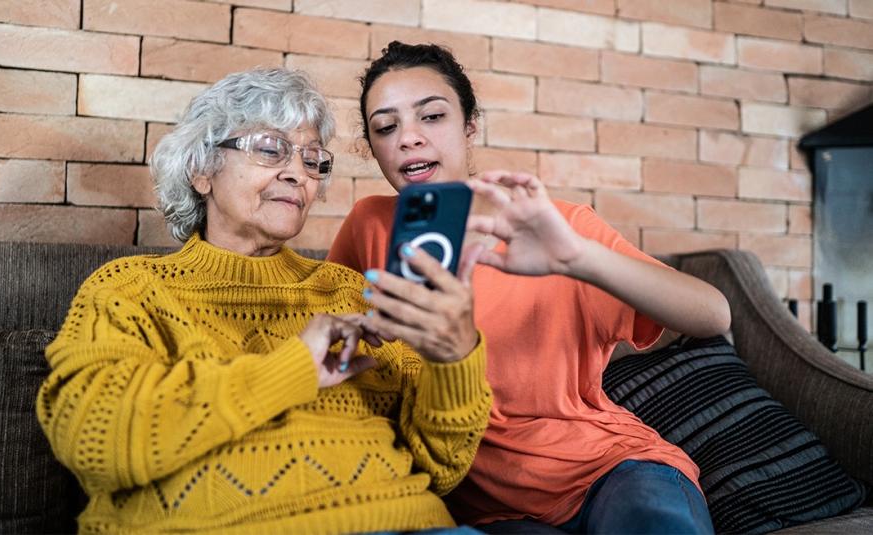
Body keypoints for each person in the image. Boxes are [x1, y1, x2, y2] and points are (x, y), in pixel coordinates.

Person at [36, 67, 494, 534]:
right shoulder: (130, 289)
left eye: (313, 160)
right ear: (201, 170)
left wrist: (453, 356)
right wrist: (294, 367)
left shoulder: (348, 291)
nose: (298, 174)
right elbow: (95, 440)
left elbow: (441, 467)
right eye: (270, 149)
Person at [327, 41, 732, 534]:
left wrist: (576, 257)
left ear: (469, 125)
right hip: (486, 508)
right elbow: (331, 346)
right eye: (386, 128)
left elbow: (713, 315)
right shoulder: (369, 226)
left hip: (611, 472)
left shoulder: (555, 224)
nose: (408, 139)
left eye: (432, 117)